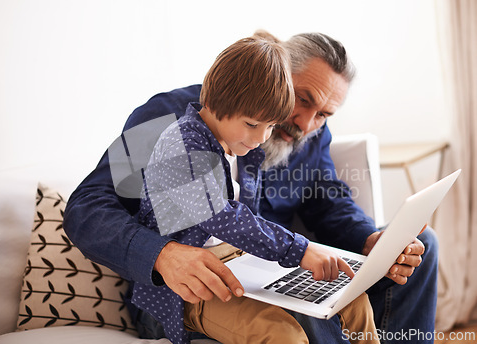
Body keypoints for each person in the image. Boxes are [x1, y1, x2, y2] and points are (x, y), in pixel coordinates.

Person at [64, 31, 437, 344]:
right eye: (302, 99)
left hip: (271, 273)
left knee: (424, 246)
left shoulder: (305, 136)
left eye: (323, 114)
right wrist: (162, 254)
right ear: (275, 76)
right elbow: (88, 209)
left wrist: (370, 238)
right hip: (199, 291)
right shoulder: (169, 118)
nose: (306, 124)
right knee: (306, 320)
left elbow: (329, 202)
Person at [133, 36, 375, 344]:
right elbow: (221, 217)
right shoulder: (183, 145)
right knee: (281, 333)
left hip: (243, 266)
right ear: (216, 99)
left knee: (351, 299)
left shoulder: (244, 146)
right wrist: (298, 249)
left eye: (271, 126)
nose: (262, 138)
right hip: (182, 290)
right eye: (252, 124)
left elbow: (317, 203)